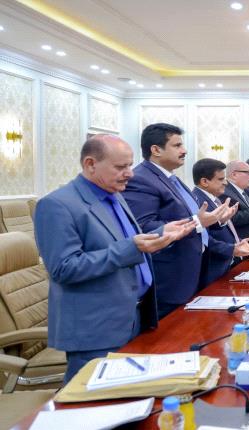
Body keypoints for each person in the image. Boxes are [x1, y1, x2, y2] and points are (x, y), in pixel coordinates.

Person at [34, 134, 195, 382]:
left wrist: (161, 232)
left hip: (135, 316)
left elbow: (122, 241)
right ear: (90, 164)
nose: (129, 173)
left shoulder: (115, 194)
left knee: (132, 396)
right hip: (97, 328)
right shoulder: (57, 205)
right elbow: (64, 268)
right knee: (95, 402)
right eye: (120, 167)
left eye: (129, 165)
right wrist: (132, 248)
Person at [123, 123, 231, 318]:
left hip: (193, 272)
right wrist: (197, 222)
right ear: (156, 150)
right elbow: (144, 228)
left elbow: (193, 219)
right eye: (177, 145)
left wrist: (213, 219)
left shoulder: (171, 178)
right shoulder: (141, 179)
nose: (184, 151)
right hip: (170, 280)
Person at [192, 159, 249, 287]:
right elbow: (203, 238)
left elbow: (216, 228)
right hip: (212, 267)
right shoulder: (199, 201)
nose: (226, 182)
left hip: (224, 264)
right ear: (204, 181)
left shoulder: (213, 198)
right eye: (221, 179)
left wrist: (237, 241)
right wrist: (231, 249)